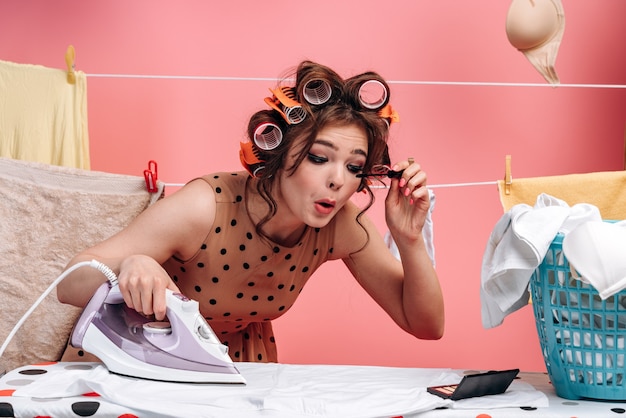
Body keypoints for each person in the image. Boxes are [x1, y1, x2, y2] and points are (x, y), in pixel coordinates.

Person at [57, 60, 444, 363]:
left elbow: (426, 326)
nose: (338, 181)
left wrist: (409, 240)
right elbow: (67, 285)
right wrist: (128, 267)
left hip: (242, 366)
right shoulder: (204, 207)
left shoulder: (342, 226)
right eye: (319, 158)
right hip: (137, 360)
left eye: (354, 167)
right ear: (279, 152)